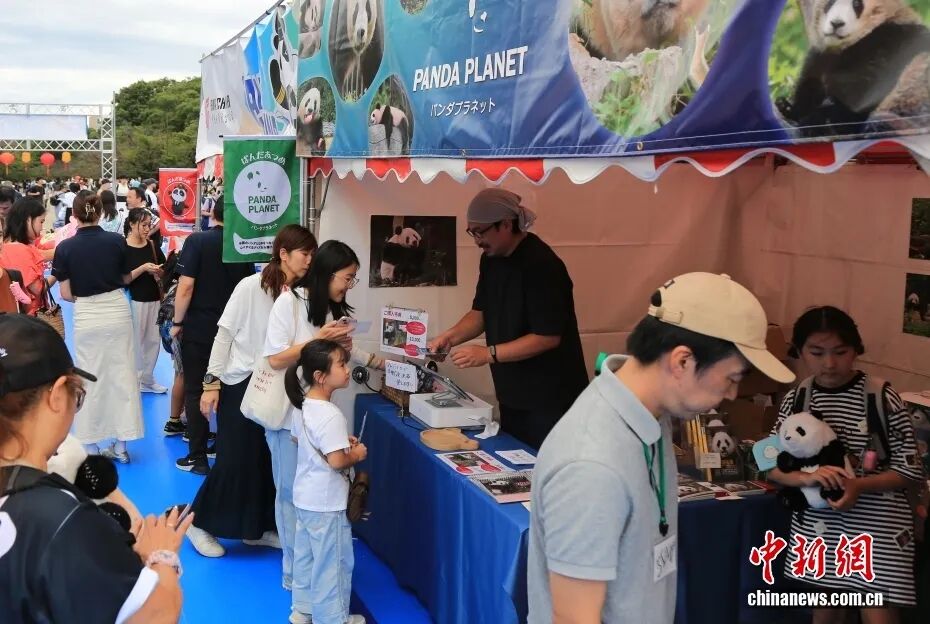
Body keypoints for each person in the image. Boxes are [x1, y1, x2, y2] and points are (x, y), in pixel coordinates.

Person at [527, 272, 795, 624]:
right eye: (731, 378)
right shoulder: (592, 465)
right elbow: (574, 619)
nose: (732, 394)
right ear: (682, 361)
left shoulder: (652, 414)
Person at [0, 314, 195, 623]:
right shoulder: (64, 521)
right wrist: (162, 555)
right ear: (57, 395)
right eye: (76, 395)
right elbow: (157, 614)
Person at [767, 306, 924, 622]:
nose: (829, 363)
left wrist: (858, 486)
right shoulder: (797, 399)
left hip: (878, 527)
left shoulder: (881, 397)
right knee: (826, 616)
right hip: (820, 527)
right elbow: (768, 464)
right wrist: (805, 478)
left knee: (878, 616)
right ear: (800, 351)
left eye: (840, 352)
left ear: (856, 349)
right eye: (816, 352)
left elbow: (910, 470)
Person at [185, 225, 317, 558]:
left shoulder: (301, 295)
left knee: (264, 459)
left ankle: (254, 529)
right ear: (283, 254)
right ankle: (197, 522)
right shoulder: (250, 286)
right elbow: (224, 335)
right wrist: (211, 383)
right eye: (305, 253)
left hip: (279, 385)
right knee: (235, 459)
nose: (309, 260)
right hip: (242, 382)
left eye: (313, 254)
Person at [263, 240, 382, 593]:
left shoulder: (330, 309)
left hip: (318, 417)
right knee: (290, 494)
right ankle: (295, 573)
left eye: (353, 278)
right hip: (287, 416)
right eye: (347, 277)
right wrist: (318, 338)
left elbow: (342, 353)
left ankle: (317, 574)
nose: (349, 285)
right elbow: (275, 358)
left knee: (317, 498)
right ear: (327, 273)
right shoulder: (289, 303)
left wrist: (378, 362)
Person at [428, 189, 588, 449]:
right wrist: (449, 337)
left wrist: (488, 354)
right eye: (472, 232)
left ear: (505, 224)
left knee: (544, 465)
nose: (477, 240)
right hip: (513, 393)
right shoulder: (491, 259)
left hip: (550, 397)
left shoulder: (542, 265)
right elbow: (481, 313)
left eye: (480, 232)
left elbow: (547, 337)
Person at [52, 192, 152, 462]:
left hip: (87, 315)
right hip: (117, 311)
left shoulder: (65, 248)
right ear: (99, 213)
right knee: (123, 375)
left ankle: (91, 446)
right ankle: (121, 446)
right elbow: (125, 278)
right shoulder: (116, 241)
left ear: (74, 215)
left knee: (89, 377)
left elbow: (65, 294)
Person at [285, 339, 368, 624]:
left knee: (307, 556)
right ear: (320, 376)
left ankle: (303, 609)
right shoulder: (332, 415)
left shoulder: (302, 406)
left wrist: (338, 442)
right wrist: (355, 454)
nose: (347, 370)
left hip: (304, 498)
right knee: (332, 564)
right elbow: (336, 462)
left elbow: (299, 439)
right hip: (327, 503)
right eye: (341, 365)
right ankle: (333, 618)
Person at [170, 198, 254, 475]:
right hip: (232, 332)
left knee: (197, 389)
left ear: (213, 213)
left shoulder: (197, 241)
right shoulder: (242, 246)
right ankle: (222, 449)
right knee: (228, 389)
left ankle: (197, 456)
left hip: (200, 328)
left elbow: (185, 287)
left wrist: (177, 321)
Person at [124, 207, 167, 394]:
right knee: (135, 342)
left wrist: (159, 271)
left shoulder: (152, 246)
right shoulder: (124, 248)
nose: (147, 229)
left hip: (154, 299)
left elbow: (164, 270)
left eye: (149, 225)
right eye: (143, 225)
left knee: (153, 341)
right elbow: (123, 278)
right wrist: (143, 268)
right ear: (132, 224)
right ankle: (134, 378)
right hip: (135, 301)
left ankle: (147, 379)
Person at [0, 199, 55, 315]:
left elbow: (43, 254)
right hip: (26, 317)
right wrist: (59, 273)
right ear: (28, 220)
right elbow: (38, 289)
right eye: (41, 222)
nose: (42, 228)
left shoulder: (9, 244)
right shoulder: (19, 250)